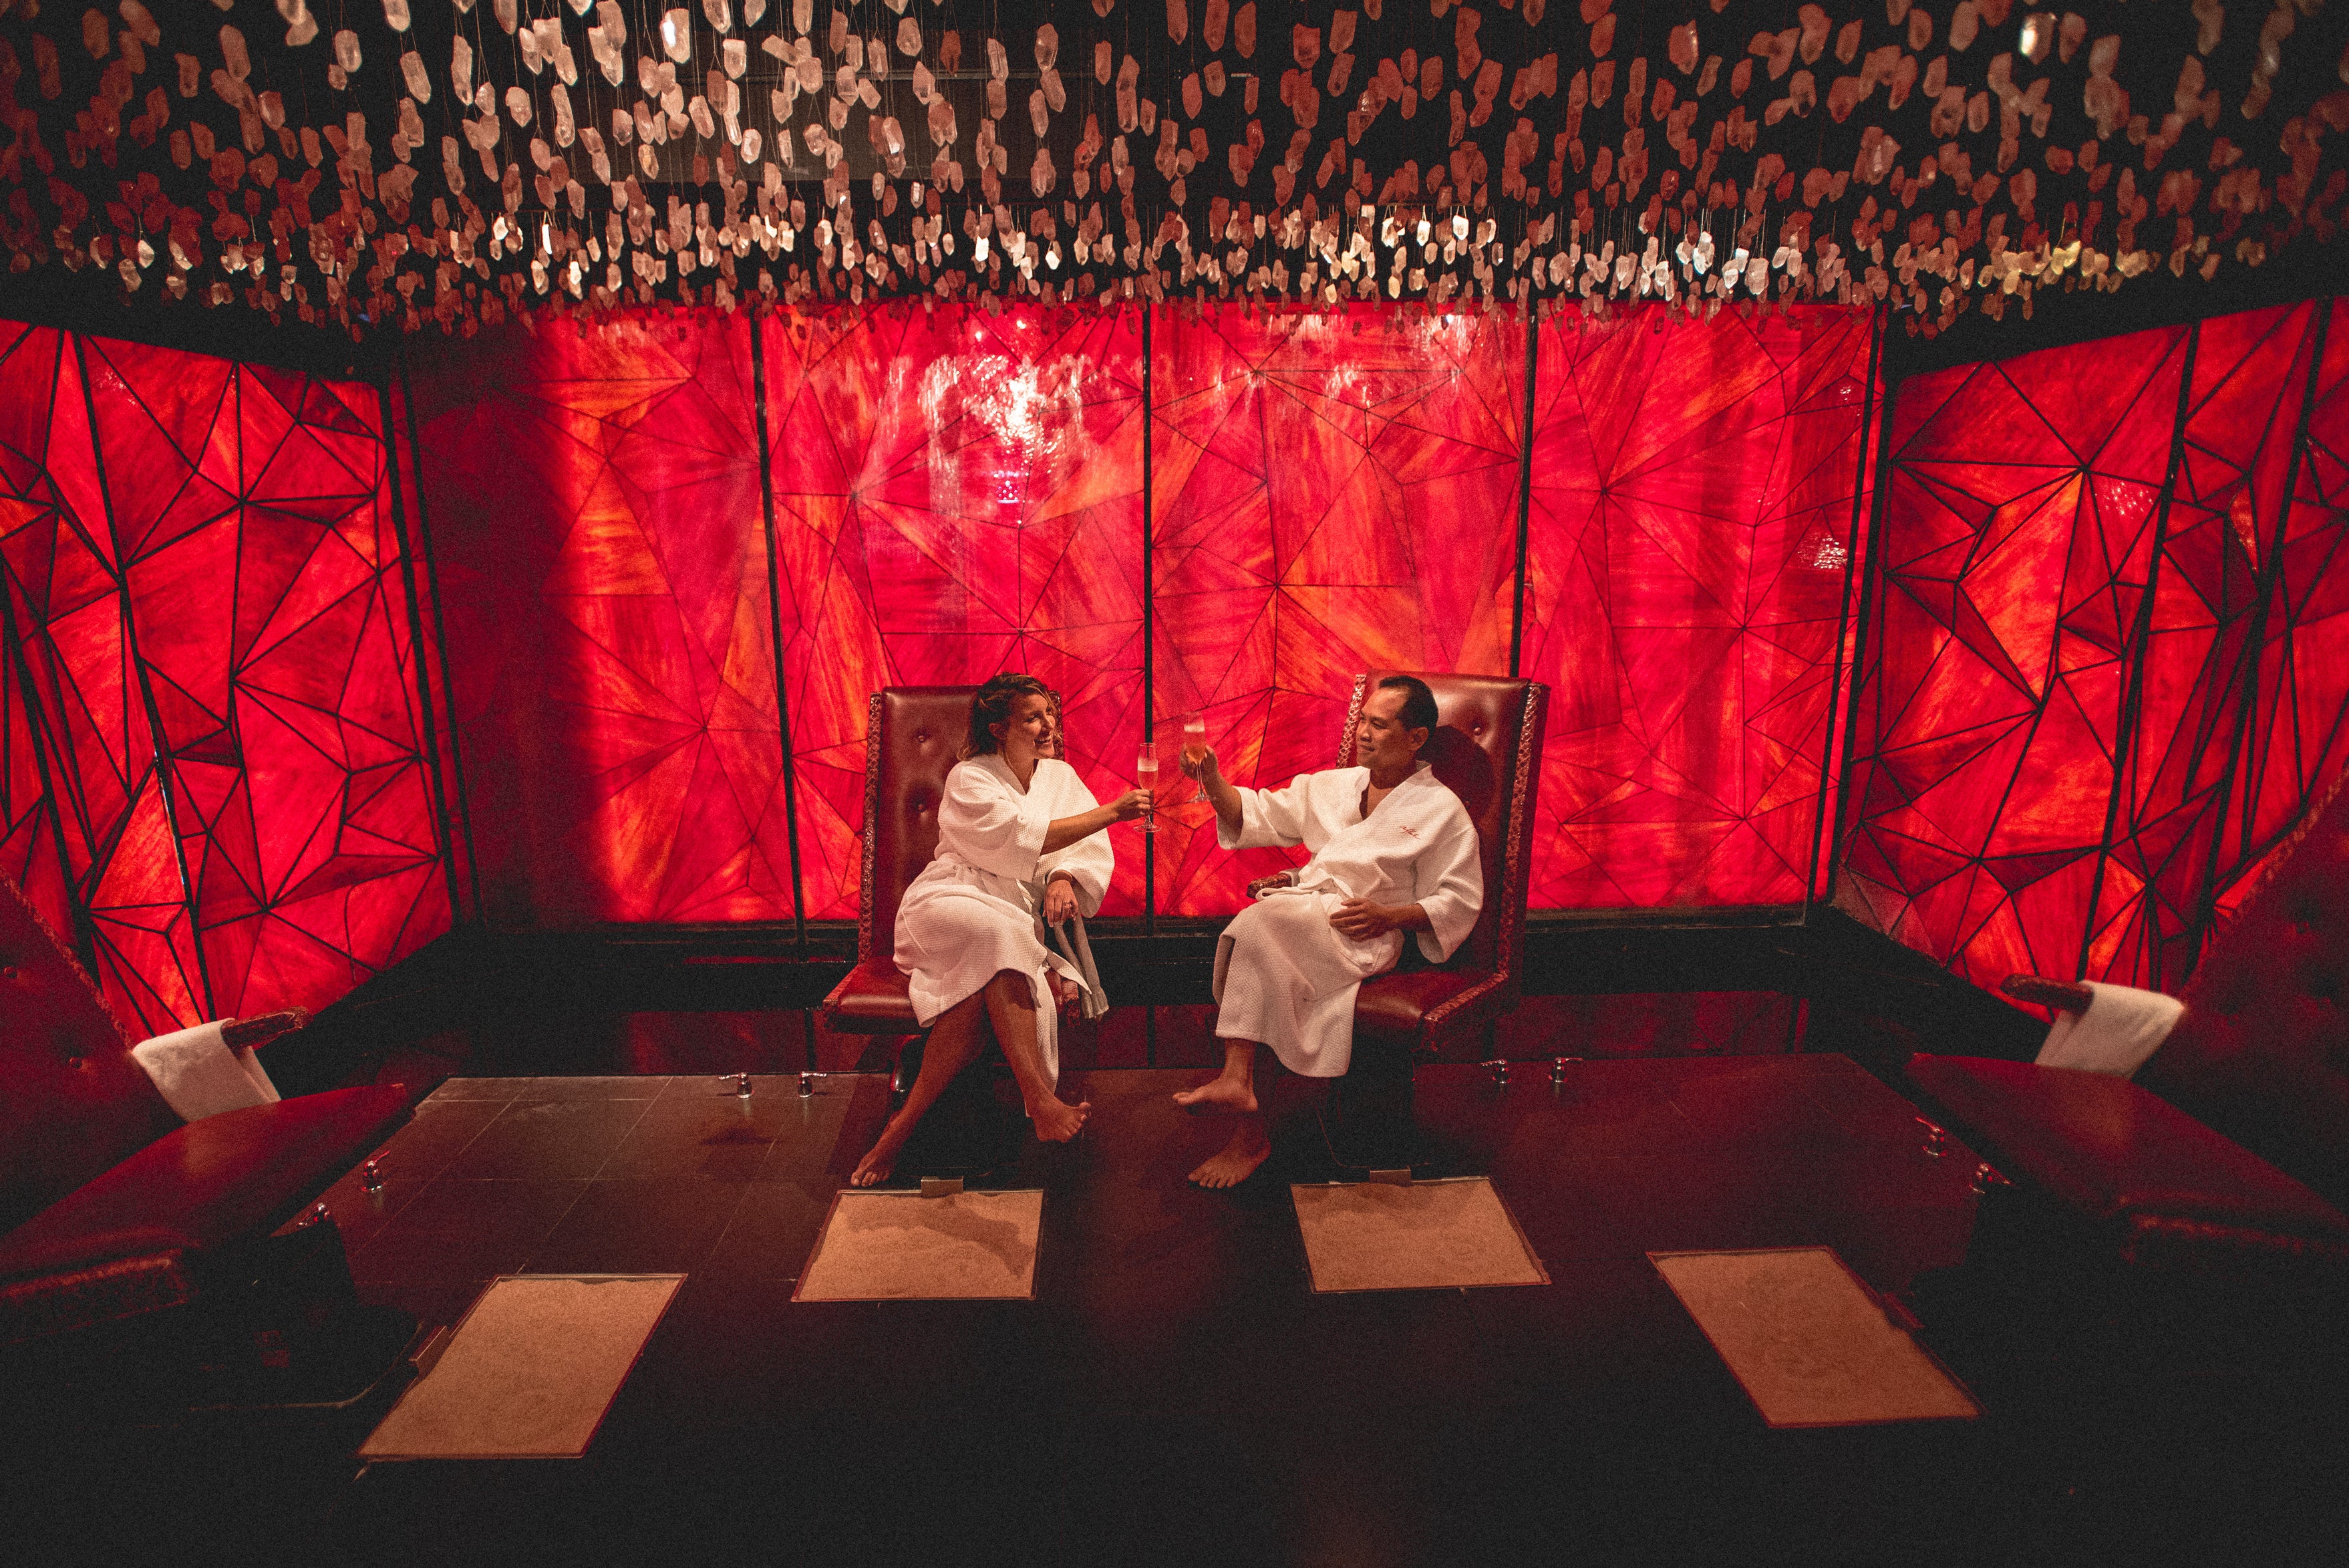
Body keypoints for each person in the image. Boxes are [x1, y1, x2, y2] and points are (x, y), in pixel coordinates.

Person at [1172, 677, 1484, 1189]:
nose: (1362, 732)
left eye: (1379, 725)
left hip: (1368, 933)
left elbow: (1459, 898)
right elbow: (1249, 814)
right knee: (1260, 935)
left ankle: (1240, 1095)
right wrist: (1211, 777)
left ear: (1416, 738)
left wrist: (1391, 917)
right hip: (1307, 916)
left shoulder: (1441, 810)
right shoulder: (1332, 786)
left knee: (1257, 924)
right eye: (1362, 719)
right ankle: (1245, 1114)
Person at [851, 673, 1151, 1187]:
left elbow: (1075, 852)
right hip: (944, 905)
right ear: (998, 728)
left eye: (1048, 715)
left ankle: (897, 1133)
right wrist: (1113, 812)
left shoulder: (1057, 778)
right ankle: (1037, 1097)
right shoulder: (970, 778)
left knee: (975, 994)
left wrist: (1062, 877)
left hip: (1005, 916)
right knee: (1001, 933)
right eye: (1032, 717)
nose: (1047, 725)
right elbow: (1020, 840)